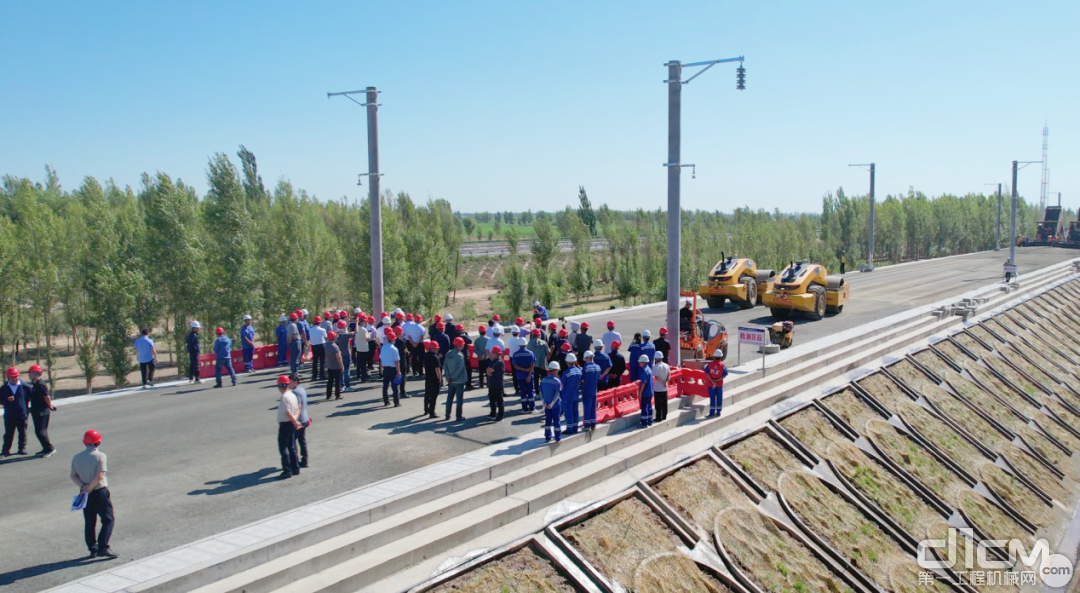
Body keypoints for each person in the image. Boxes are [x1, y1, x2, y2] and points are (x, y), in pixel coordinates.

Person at [71, 429, 116, 558]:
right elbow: (99, 476)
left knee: (90, 521)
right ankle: (103, 547)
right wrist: (90, 487)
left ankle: (92, 548)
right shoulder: (100, 456)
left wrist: (84, 487)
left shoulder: (77, 457)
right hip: (99, 491)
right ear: (98, 442)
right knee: (108, 519)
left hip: (84, 492)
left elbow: (73, 475)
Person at [275, 375, 302, 479]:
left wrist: (294, 421)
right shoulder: (292, 395)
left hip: (286, 423)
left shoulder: (284, 397)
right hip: (291, 423)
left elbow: (287, 412)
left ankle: (287, 470)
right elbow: (296, 409)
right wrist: (295, 421)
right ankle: (295, 467)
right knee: (291, 446)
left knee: (283, 448)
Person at [28, 365, 56, 457]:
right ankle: (45, 448)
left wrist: (49, 405)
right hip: (36, 411)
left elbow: (46, 396)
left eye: (31, 373)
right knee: (38, 431)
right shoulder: (35, 384)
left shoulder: (40, 384)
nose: (29, 375)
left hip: (42, 411)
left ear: (36, 374)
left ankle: (50, 449)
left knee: (41, 430)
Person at [2, 367, 31, 456]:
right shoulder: (4, 387)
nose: (15, 379)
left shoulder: (25, 386)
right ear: (8, 377)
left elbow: (32, 396)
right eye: (12, 377)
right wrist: (7, 400)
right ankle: (5, 450)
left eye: (16, 376)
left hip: (21, 414)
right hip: (9, 415)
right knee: (8, 434)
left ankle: (22, 448)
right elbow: (1, 400)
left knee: (22, 432)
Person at [287, 374, 310, 468]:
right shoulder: (302, 389)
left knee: (292, 442)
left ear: (295, 381)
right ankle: (305, 460)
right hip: (305, 418)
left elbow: (298, 407)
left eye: (290, 382)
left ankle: (294, 462)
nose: (288, 384)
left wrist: (294, 420)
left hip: (299, 419)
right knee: (302, 440)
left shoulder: (295, 392)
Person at [443, 337, 468, 420]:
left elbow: (445, 366)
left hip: (450, 380)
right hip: (459, 380)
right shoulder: (460, 356)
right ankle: (458, 416)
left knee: (449, 398)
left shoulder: (449, 353)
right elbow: (460, 369)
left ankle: (447, 415)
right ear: (459, 345)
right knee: (459, 400)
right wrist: (453, 377)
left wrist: (448, 376)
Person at [539, 362, 563, 443]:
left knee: (548, 421)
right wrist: (552, 404)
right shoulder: (557, 381)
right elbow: (557, 394)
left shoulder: (543, 380)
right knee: (556, 421)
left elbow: (541, 392)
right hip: (555, 405)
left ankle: (548, 437)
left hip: (546, 404)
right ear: (556, 370)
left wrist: (544, 403)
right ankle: (558, 437)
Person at [511, 339, 536, 412]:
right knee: (530, 391)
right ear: (526, 344)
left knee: (523, 392)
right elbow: (532, 365)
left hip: (520, 376)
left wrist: (524, 370)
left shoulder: (515, 354)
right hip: (529, 376)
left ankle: (524, 408)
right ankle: (532, 408)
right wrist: (528, 374)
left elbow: (515, 366)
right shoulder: (530, 353)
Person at [526, 328, 550, 402]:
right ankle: (545, 392)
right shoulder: (544, 343)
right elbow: (548, 353)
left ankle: (537, 392)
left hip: (534, 364)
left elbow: (528, 354)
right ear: (539, 335)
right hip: (543, 363)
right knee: (544, 379)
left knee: (536, 379)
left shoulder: (529, 344)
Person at [380, 329, 402, 407]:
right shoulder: (394, 349)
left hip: (385, 368)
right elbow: (397, 361)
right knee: (395, 386)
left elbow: (381, 359)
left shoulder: (383, 347)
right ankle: (396, 402)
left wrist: (381, 369)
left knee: (385, 386)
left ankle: (386, 401)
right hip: (393, 369)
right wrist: (398, 371)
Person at [561, 353, 582, 434]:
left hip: (567, 396)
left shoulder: (566, 373)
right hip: (575, 394)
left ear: (567, 362)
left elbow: (561, 385)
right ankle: (575, 428)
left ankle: (569, 429)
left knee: (568, 413)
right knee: (575, 412)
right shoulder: (579, 371)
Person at [705, 349, 728, 418]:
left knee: (712, 398)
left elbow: (707, 373)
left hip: (711, 384)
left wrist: (712, 380)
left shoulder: (710, 364)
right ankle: (718, 412)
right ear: (721, 357)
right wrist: (717, 380)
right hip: (719, 385)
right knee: (719, 398)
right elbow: (724, 375)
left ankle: (711, 412)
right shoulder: (722, 365)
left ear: (714, 356)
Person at [581, 351, 600, 431]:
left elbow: (582, 380)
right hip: (594, 390)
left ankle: (587, 425)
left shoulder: (586, 368)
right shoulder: (598, 367)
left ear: (587, 358)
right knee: (593, 409)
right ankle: (593, 425)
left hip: (587, 391)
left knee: (587, 408)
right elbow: (598, 377)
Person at [423, 341, 442, 419]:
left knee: (427, 394)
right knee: (434, 396)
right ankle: (432, 412)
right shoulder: (435, 357)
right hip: (434, 378)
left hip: (428, 377)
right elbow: (437, 369)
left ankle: (426, 409)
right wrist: (440, 379)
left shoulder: (426, 355)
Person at [486, 346, 505, 421]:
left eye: (493, 353)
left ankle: (500, 415)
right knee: (492, 400)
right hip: (492, 384)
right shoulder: (493, 361)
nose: (491, 354)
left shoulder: (499, 362)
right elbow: (487, 370)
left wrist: (488, 371)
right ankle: (493, 413)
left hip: (497, 384)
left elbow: (490, 370)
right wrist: (488, 371)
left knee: (499, 401)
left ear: (497, 354)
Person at [334, 321, 353, 391]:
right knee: (347, 371)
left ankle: (341, 385)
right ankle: (347, 386)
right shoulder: (345, 335)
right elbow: (354, 332)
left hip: (339, 354)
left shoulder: (336, 335)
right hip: (346, 354)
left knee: (341, 371)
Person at [325, 331, 343, 400]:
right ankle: (337, 394)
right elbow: (339, 357)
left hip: (330, 365)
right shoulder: (335, 347)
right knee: (337, 381)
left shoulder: (326, 345)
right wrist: (342, 365)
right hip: (336, 366)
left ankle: (328, 395)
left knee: (330, 381)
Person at [637, 354, 655, 427]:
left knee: (644, 406)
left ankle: (644, 422)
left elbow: (644, 382)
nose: (639, 363)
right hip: (650, 391)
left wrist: (640, 392)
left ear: (644, 362)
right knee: (649, 406)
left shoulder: (644, 371)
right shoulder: (649, 369)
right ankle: (650, 420)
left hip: (646, 391)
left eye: (640, 362)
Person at [308, 316, 328, 382]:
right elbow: (326, 337)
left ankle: (314, 376)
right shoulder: (322, 330)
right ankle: (322, 375)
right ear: (320, 322)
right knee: (322, 361)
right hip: (321, 345)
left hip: (314, 346)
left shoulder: (310, 330)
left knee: (315, 361)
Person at [653, 351, 671, 422]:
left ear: (656, 359)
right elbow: (669, 375)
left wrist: (662, 382)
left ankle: (658, 417)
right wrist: (666, 382)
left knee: (658, 404)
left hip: (658, 388)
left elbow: (656, 377)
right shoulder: (666, 365)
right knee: (664, 402)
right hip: (665, 388)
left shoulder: (656, 367)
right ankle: (664, 415)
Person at [354, 317, 370, 383]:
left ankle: (358, 375)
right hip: (364, 348)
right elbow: (366, 338)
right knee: (363, 364)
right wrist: (369, 335)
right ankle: (364, 376)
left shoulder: (356, 329)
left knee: (358, 363)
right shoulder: (364, 330)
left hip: (358, 348)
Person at [474, 325, 489, 390]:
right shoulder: (488, 339)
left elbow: (475, 350)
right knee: (488, 371)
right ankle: (489, 384)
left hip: (480, 358)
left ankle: (481, 384)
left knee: (481, 372)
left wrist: (480, 354)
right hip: (487, 357)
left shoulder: (476, 340)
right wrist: (485, 354)